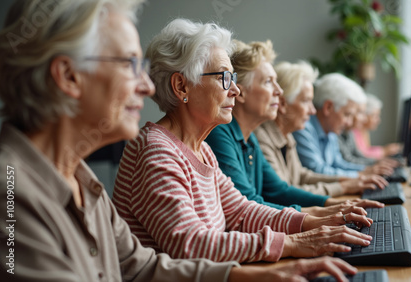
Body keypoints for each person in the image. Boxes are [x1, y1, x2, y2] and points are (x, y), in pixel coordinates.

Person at [0, 1, 360, 281]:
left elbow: (141, 268)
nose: (145, 86)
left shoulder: (82, 179)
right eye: (129, 64)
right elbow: (187, 246)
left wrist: (267, 267)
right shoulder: (11, 196)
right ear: (68, 76)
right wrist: (292, 242)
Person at [112, 18, 373, 265]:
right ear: (182, 86)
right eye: (224, 77)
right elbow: (190, 245)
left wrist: (311, 221)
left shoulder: (201, 149)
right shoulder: (155, 151)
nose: (235, 90)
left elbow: (241, 212)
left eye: (234, 78)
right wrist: (292, 243)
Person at [205, 40, 382, 215]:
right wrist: (319, 213)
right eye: (268, 82)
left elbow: (280, 189)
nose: (278, 92)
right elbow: (248, 204)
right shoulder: (222, 133)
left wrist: (332, 203)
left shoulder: (249, 136)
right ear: (240, 92)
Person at [254, 60, 388, 196]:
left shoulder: (287, 134)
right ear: (282, 103)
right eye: (306, 101)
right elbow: (283, 192)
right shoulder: (271, 135)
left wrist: (352, 179)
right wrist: (344, 186)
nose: (312, 110)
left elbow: (302, 175)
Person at [293, 73, 394, 178]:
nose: (349, 123)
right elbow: (317, 170)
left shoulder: (330, 131)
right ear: (328, 107)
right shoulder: (303, 127)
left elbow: (338, 163)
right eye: (347, 114)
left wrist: (368, 170)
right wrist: (360, 175)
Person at [352, 93, 402, 159]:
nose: (378, 120)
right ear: (365, 115)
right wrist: (384, 151)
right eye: (375, 116)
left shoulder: (364, 131)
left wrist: (385, 150)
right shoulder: (354, 131)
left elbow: (367, 150)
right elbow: (362, 155)